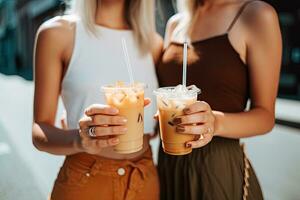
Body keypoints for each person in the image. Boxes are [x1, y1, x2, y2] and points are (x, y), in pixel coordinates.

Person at [32, 0, 163, 199]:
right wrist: (79, 140)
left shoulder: (153, 43)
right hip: (85, 179)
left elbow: (153, 125)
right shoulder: (57, 34)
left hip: (143, 178)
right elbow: (39, 130)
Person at [157, 0, 282, 199]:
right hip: (168, 165)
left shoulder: (256, 15)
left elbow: (265, 116)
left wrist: (215, 122)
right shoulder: (175, 23)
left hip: (216, 169)